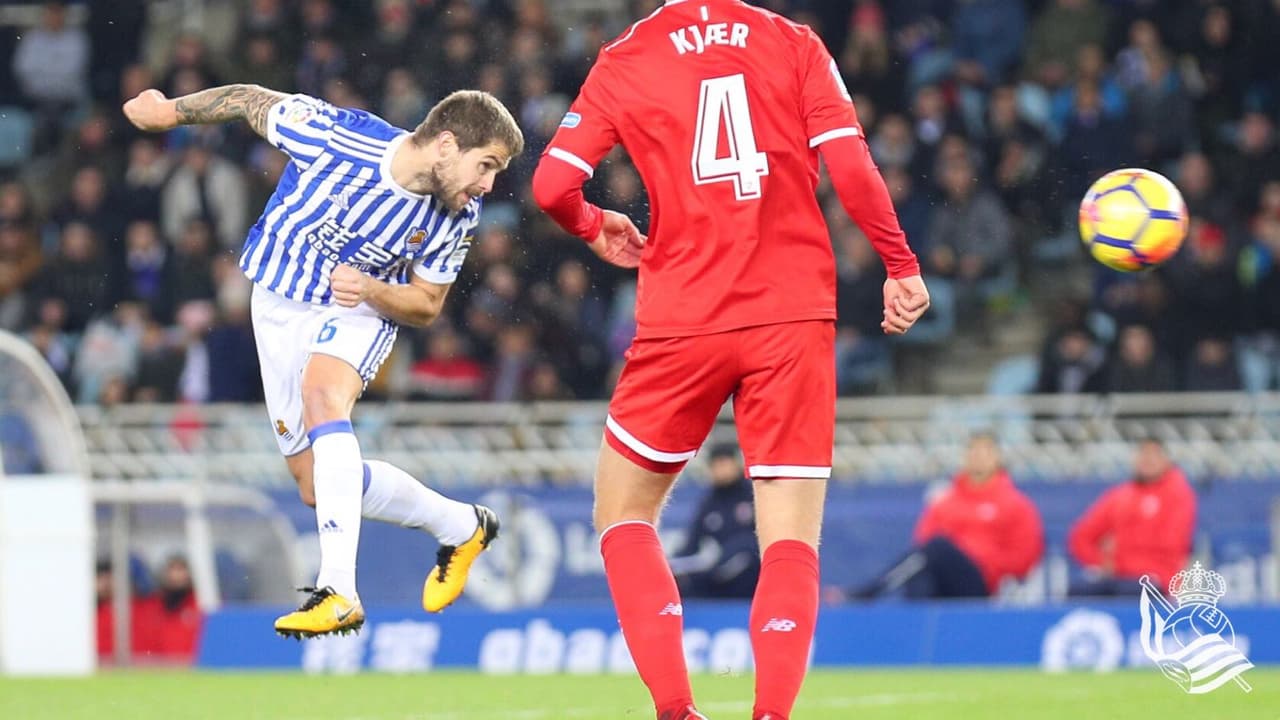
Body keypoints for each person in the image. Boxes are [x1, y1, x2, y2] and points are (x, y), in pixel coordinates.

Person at [531, 3, 930, 718]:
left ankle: (677, 710)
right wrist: (900, 264)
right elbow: (851, 163)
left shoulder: (627, 56)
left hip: (682, 316)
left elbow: (550, 187)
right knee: (787, 537)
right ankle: (772, 713)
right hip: (792, 312)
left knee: (623, 515)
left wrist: (592, 225)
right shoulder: (793, 43)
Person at [123, 82, 524, 638]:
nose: (488, 184)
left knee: (322, 396)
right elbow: (247, 99)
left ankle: (338, 589)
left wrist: (372, 291)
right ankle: (462, 526)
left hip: (358, 309)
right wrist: (168, 112)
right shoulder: (338, 137)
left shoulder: (458, 212)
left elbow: (427, 304)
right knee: (316, 485)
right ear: (447, 144)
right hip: (278, 303)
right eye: (487, 165)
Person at [840, 433, 1043, 600]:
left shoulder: (1016, 504)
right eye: (972, 450)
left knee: (939, 547)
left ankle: (872, 591)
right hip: (943, 577)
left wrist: (980, 558)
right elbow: (922, 542)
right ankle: (917, 642)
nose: (977, 456)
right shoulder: (947, 502)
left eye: (985, 451)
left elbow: (1024, 558)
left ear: (998, 458)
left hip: (982, 583)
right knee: (921, 579)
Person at [1068, 439, 1197, 596]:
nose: (1147, 460)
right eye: (1143, 454)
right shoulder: (1121, 496)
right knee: (1079, 592)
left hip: (1157, 577)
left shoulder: (1179, 495)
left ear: (1166, 461)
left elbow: (1168, 544)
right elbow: (1081, 536)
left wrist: (1118, 551)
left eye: (1154, 454)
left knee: (1132, 591)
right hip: (1118, 574)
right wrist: (1100, 561)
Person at [669, 443, 760, 600]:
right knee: (683, 582)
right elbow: (692, 544)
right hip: (717, 571)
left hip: (751, 569)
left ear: (735, 464)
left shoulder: (752, 496)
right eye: (716, 465)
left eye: (724, 464)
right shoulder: (709, 502)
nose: (721, 470)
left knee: (746, 557)